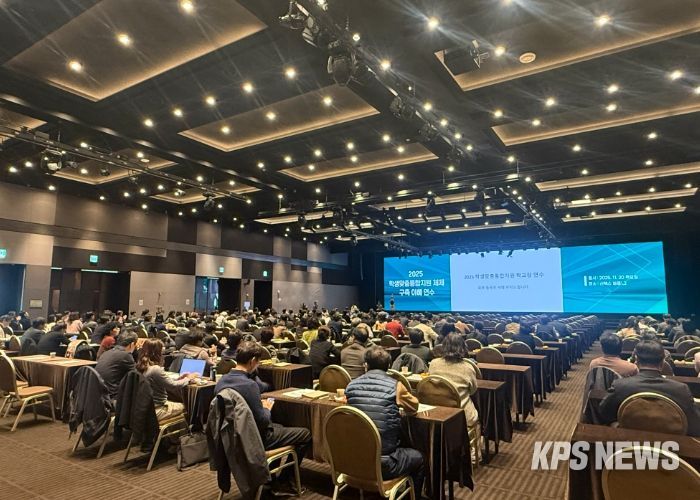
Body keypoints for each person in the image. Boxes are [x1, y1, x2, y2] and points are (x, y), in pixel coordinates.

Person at [215, 341, 310, 488]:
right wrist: (266, 408)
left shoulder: (221, 381)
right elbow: (263, 421)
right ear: (253, 361)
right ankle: (285, 480)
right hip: (253, 439)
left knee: (280, 427)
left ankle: (270, 479)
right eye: (258, 362)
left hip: (231, 436)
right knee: (306, 434)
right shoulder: (249, 385)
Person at [345, 346, 424, 496]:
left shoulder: (350, 386)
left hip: (353, 460)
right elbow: (414, 407)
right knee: (419, 457)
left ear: (366, 365)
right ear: (389, 366)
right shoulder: (396, 386)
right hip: (384, 465)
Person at [599, 340, 700, 436]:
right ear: (662, 363)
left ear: (636, 361)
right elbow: (695, 425)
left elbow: (604, 412)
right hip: (672, 444)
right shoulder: (681, 389)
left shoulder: (620, 385)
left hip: (629, 440)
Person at [427, 334, 479, 431]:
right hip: (462, 415)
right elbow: (473, 391)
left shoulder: (433, 363)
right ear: (463, 348)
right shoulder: (468, 367)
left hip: (438, 411)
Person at [136, 339, 196, 420]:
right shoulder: (155, 369)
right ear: (157, 353)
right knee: (186, 407)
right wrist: (188, 379)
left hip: (144, 406)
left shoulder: (140, 366)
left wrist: (180, 378)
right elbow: (172, 386)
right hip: (157, 408)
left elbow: (164, 382)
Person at [95, 330, 138, 399]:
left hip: (98, 395)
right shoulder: (126, 355)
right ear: (132, 344)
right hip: (112, 397)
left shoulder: (107, 352)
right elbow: (136, 377)